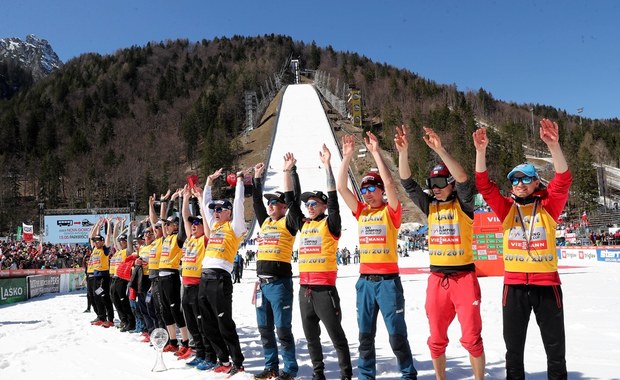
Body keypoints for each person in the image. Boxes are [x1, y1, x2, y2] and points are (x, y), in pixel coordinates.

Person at [472, 118, 572, 379]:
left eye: (526, 179)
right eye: (515, 180)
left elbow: (563, 179)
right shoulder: (507, 209)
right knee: (513, 354)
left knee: (556, 352)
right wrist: (480, 153)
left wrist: (554, 146)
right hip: (514, 288)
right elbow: (484, 186)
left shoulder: (549, 208)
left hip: (547, 287)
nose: (520, 184)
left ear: (537, 182)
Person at [396, 125, 485, 379]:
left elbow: (465, 181)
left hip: (464, 279)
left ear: (450, 183)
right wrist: (403, 152)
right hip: (437, 280)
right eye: (431, 183)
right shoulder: (430, 205)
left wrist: (440, 149)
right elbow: (407, 184)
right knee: (436, 338)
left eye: (438, 183)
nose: (433, 188)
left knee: (471, 337)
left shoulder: (464, 204)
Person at [337, 132, 417, 379]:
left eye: (372, 188)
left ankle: (407, 374)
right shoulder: (361, 212)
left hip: (388, 283)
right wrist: (347, 157)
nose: (367, 193)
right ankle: (366, 375)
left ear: (381, 191)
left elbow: (391, 184)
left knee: (396, 334)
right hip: (365, 283)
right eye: (364, 189)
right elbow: (341, 187)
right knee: (365, 336)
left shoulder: (390, 212)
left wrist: (375, 153)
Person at [288, 146, 353, 380]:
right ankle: (318, 375)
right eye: (309, 204)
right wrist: (291, 172)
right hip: (304, 291)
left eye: (314, 203)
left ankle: (346, 375)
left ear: (323, 206)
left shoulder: (330, 224)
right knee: (311, 338)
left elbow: (334, 202)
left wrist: (327, 166)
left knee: (337, 337)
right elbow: (291, 202)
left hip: (324, 291)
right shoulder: (304, 224)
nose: (310, 207)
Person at [251, 159, 300, 380]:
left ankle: (289, 369)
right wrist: (256, 179)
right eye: (269, 202)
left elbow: (295, 199)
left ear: (284, 207)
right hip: (262, 284)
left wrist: (289, 172)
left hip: (280, 284)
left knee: (282, 330)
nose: (270, 205)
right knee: (265, 330)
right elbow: (256, 205)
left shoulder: (287, 223)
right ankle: (271, 366)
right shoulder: (266, 223)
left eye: (275, 202)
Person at [198, 168, 246, 376]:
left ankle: (237, 361)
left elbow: (239, 205)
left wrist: (240, 183)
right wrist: (208, 183)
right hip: (205, 277)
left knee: (224, 321)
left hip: (220, 277)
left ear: (228, 212)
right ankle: (222, 358)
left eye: (220, 209)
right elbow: (205, 207)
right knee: (207, 322)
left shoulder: (234, 227)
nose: (215, 212)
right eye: (214, 210)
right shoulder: (215, 226)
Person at [180, 184, 219, 367]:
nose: (194, 226)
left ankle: (210, 356)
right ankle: (200, 354)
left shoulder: (205, 239)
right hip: (186, 286)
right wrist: (186, 198)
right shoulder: (190, 239)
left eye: (197, 224)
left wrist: (202, 200)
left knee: (202, 324)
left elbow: (206, 220)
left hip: (198, 286)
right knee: (192, 325)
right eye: (192, 224)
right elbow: (184, 218)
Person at [88, 218, 115, 328]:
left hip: (104, 276)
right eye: (95, 241)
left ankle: (110, 319)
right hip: (96, 276)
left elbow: (109, 237)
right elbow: (92, 236)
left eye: (98, 241)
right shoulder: (94, 249)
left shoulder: (105, 249)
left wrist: (108, 223)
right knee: (95, 296)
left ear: (102, 242)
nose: (96, 242)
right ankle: (101, 316)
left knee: (104, 296)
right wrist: (98, 225)